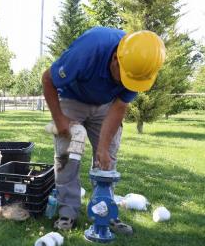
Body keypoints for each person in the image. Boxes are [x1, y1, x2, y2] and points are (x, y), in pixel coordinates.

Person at [41, 27, 166, 232]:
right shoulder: (88, 50)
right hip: (73, 98)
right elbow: (48, 79)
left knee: (107, 159)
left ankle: (104, 211)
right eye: (123, 76)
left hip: (107, 105)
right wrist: (60, 119)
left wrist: (103, 148)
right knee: (67, 156)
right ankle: (67, 213)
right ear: (116, 58)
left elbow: (119, 106)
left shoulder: (140, 68)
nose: (126, 83)